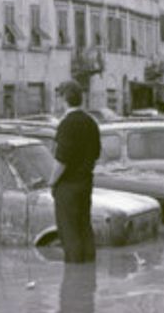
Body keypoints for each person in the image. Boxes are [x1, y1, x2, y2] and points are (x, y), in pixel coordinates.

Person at [50, 80, 101, 264]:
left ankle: (74, 279)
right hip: (86, 183)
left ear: (64, 98)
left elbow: (61, 160)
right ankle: (88, 275)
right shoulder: (91, 123)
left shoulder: (66, 124)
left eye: (58, 97)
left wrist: (52, 182)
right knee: (84, 228)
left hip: (67, 187)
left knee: (69, 232)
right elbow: (96, 154)